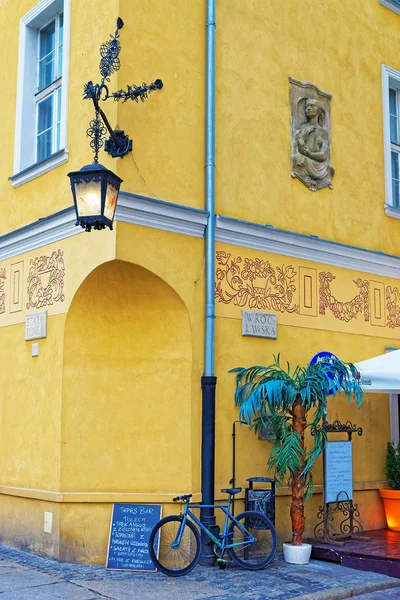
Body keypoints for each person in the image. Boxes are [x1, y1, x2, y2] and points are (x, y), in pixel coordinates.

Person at [293, 98, 332, 181]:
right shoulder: (302, 128)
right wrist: (300, 137)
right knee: (300, 159)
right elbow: (300, 147)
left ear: (319, 110)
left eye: (312, 106)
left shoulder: (323, 132)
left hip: (318, 165)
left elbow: (324, 155)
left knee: (303, 159)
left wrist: (310, 154)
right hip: (305, 160)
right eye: (307, 106)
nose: (308, 108)